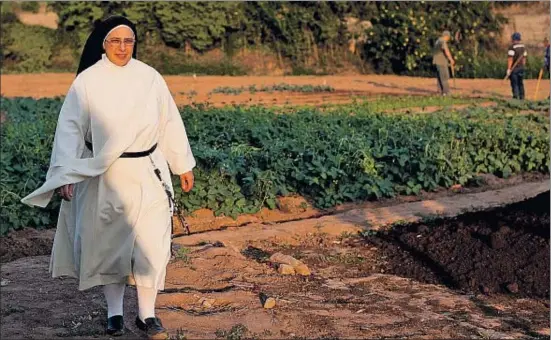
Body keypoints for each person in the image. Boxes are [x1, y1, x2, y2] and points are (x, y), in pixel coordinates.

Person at [20, 16, 196, 339]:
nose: (122, 47)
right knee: (110, 246)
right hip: (106, 175)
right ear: (103, 44)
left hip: (148, 170)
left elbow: (169, 120)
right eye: (115, 41)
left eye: (128, 41)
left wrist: (182, 163)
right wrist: (67, 172)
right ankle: (115, 315)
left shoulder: (150, 78)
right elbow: (70, 128)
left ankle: (148, 315)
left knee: (152, 244)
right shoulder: (88, 82)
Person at [432, 30, 455, 96]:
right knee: (445, 77)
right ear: (447, 36)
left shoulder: (438, 41)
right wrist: (451, 59)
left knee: (440, 77)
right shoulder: (442, 41)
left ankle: (440, 92)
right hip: (441, 61)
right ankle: (446, 92)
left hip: (437, 61)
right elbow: (446, 50)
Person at [506, 32, 527, 100]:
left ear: (513, 39)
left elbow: (510, 59)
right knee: (520, 83)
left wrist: (509, 69)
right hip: (521, 68)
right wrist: (523, 66)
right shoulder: (523, 47)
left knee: (514, 83)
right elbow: (524, 58)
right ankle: (522, 97)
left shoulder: (512, 47)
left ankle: (516, 97)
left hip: (514, 69)